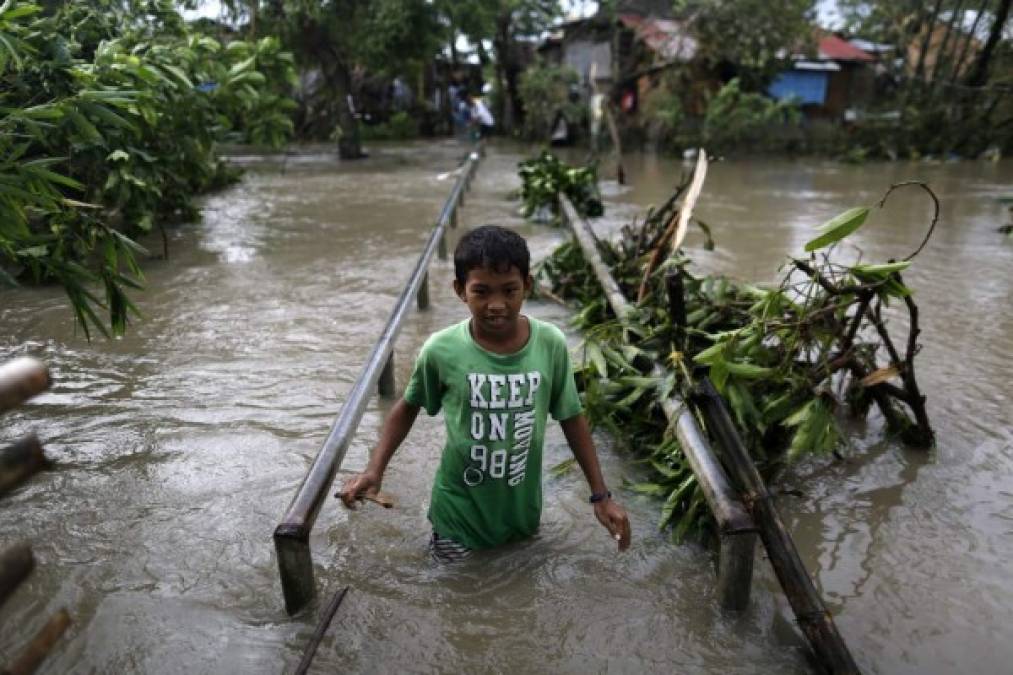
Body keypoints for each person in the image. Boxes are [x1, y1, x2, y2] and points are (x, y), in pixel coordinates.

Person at [340, 225, 631, 562]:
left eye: (509, 290)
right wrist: (375, 470)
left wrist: (600, 495)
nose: (496, 305)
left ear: (527, 287)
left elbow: (571, 417)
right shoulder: (442, 349)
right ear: (460, 291)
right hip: (458, 518)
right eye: (482, 292)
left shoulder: (550, 343)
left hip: (521, 515)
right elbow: (407, 408)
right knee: (458, 599)